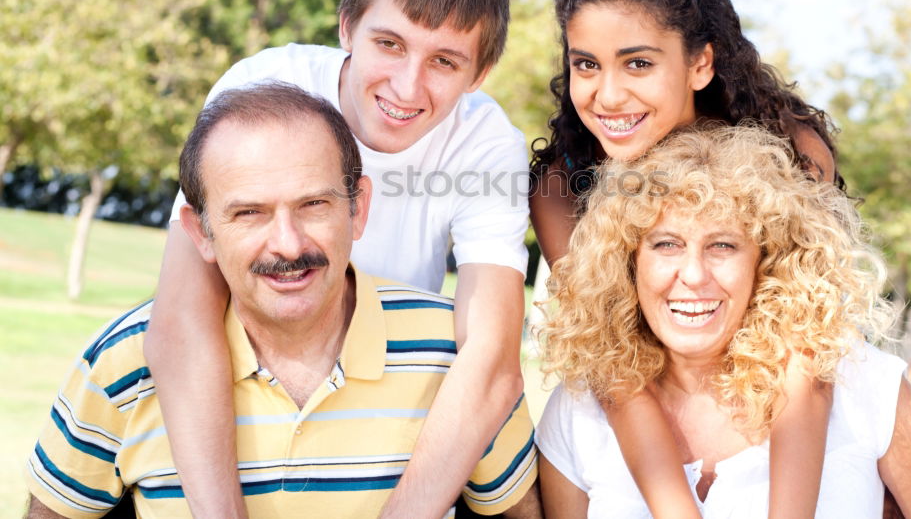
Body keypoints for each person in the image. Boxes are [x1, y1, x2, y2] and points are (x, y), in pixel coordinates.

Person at [144, 0, 533, 518]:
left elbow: (492, 357)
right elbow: (181, 319)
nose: (407, 86)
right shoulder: (265, 86)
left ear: (479, 75)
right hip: (253, 387)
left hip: (381, 398)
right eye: (390, 43)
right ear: (348, 26)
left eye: (445, 62)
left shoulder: (485, 144)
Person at [25, 83, 540, 518]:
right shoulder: (121, 364)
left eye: (313, 205)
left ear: (358, 209)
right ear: (200, 232)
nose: (288, 244)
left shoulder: (456, 353)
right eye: (249, 214)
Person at [529, 0, 840, 516]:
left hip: (781, 414)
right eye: (587, 65)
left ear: (699, 64)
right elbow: (613, 362)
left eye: (638, 63)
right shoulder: (560, 189)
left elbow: (806, 352)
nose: (609, 94)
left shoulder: (790, 151)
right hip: (658, 422)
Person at [534, 125, 911, 518]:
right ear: (629, 262)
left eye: (723, 246)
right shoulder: (578, 411)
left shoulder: (865, 387)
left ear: (764, 263)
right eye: (666, 244)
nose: (692, 275)